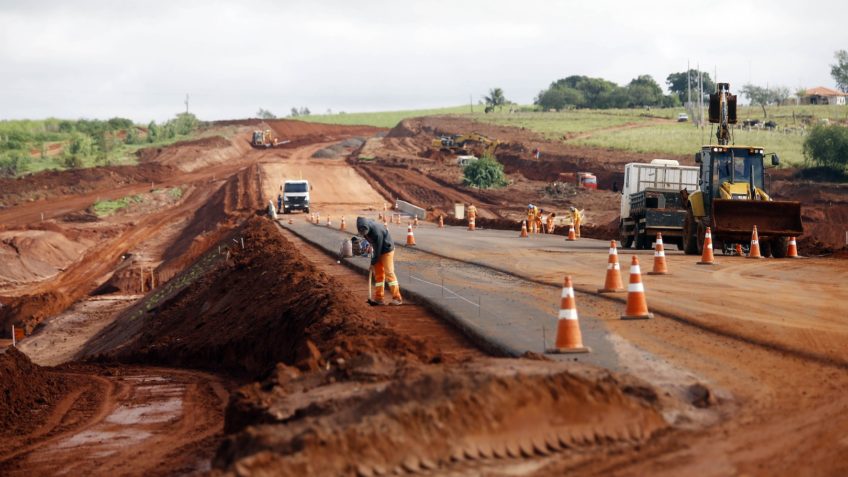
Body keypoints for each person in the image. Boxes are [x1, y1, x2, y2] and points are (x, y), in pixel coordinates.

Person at [357, 216, 402, 305]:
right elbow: (373, 242)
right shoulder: (363, 226)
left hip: (386, 250)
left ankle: (397, 298)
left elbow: (378, 250)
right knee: (379, 275)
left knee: (389, 272)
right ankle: (379, 298)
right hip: (378, 248)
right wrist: (370, 245)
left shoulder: (376, 232)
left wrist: (372, 263)